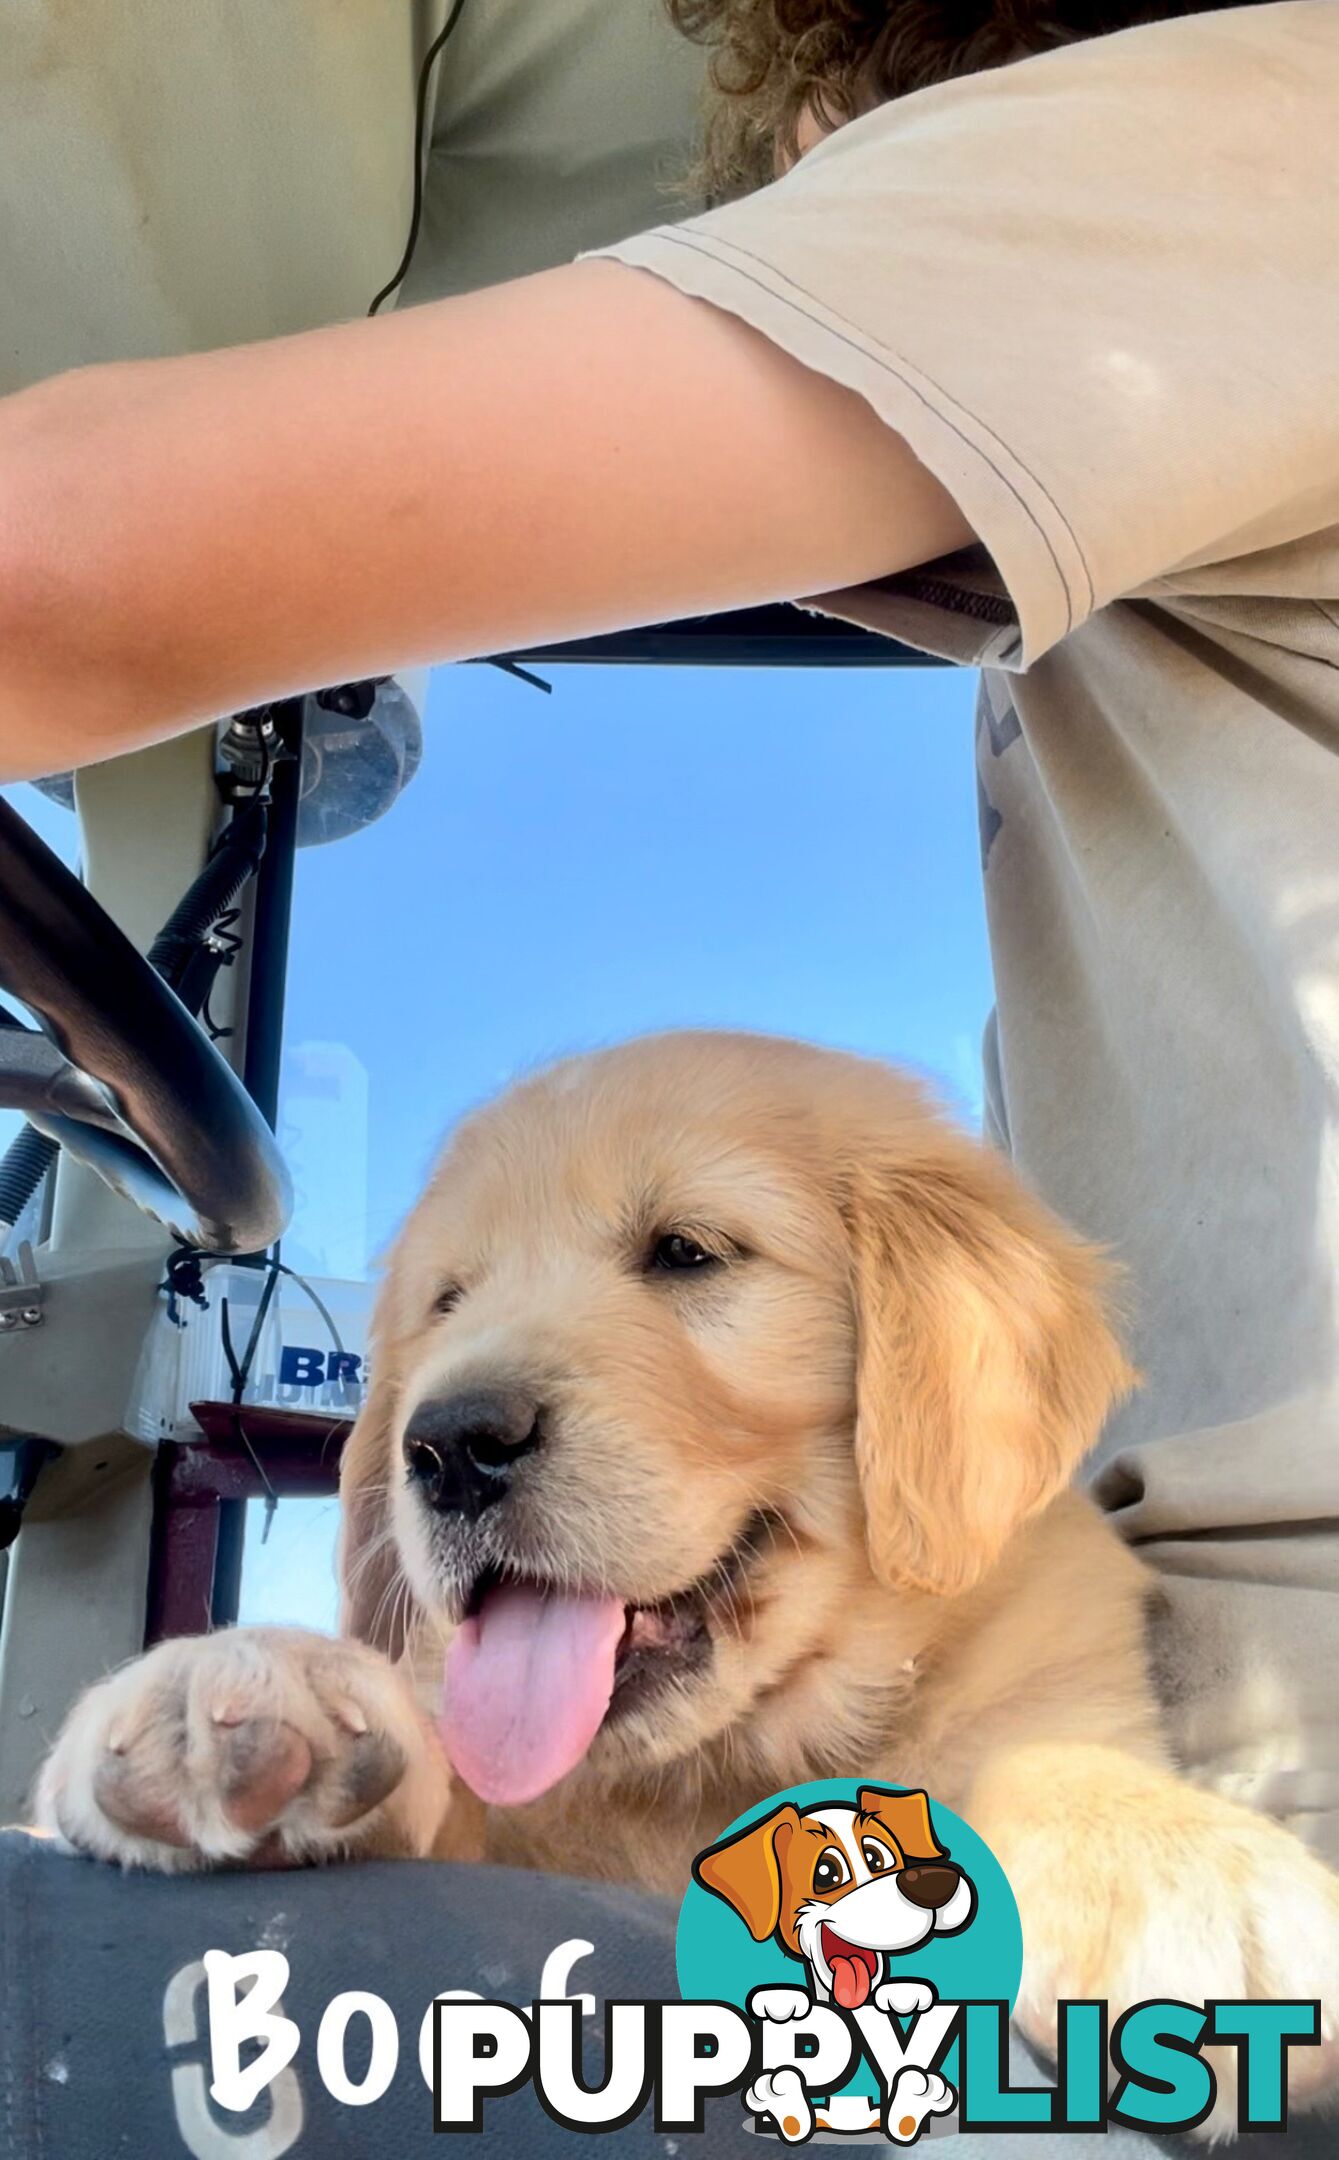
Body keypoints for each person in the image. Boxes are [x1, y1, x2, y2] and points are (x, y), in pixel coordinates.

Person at [1, 0, 1335, 1879]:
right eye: (442, 1313)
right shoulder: (1113, 653)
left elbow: (56, 563)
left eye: (691, 1250)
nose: (461, 1403)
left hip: (1262, 1777)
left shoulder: (1228, 134)